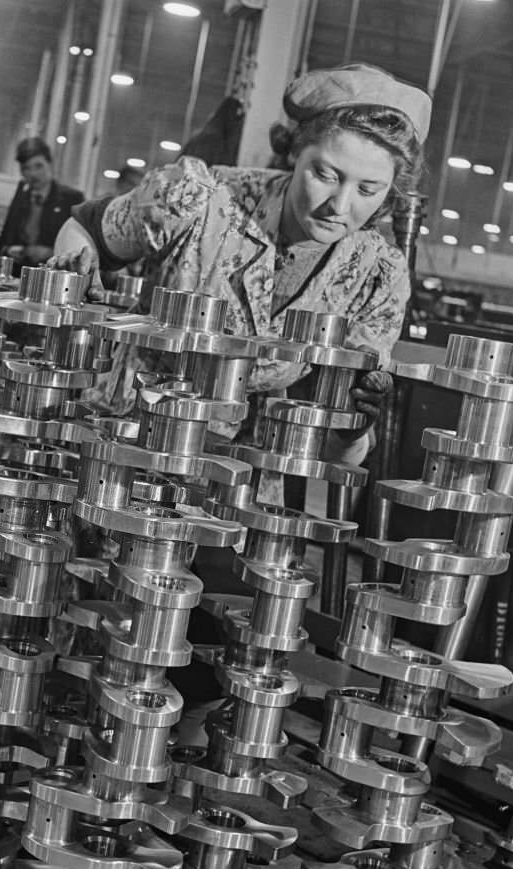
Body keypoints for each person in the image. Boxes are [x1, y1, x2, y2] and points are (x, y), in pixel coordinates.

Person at [53, 63, 430, 742]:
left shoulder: (376, 273)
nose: (337, 206)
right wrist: (71, 300)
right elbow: (85, 228)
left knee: (189, 673)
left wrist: (357, 424)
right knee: (78, 647)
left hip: (227, 501)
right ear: (292, 151)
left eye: (367, 190)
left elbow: (340, 435)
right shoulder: (198, 198)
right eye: (324, 173)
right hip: (121, 461)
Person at [0, 136, 84, 269]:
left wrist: (50, 253)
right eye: (26, 168)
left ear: (50, 164)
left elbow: (81, 250)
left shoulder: (72, 199)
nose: (33, 174)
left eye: (38, 166)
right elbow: (2, 242)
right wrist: (8, 250)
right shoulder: (21, 195)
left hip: (53, 276)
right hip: (18, 273)